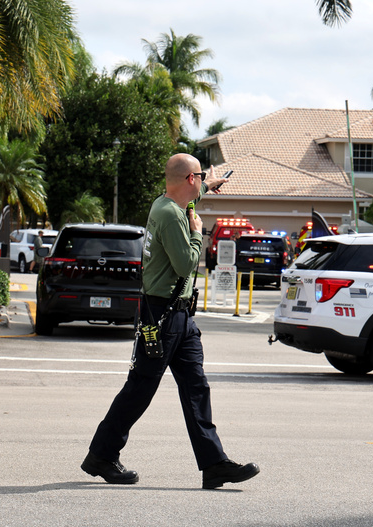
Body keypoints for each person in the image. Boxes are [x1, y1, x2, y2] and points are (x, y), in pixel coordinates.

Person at [81, 154, 260, 490]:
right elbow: (185, 264)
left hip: (179, 316)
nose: (202, 181)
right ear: (190, 178)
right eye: (201, 176)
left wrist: (210, 184)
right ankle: (101, 455)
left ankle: (214, 464)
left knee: (196, 387)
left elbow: (190, 197)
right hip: (163, 314)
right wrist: (198, 234)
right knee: (140, 389)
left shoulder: (167, 203)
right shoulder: (172, 215)